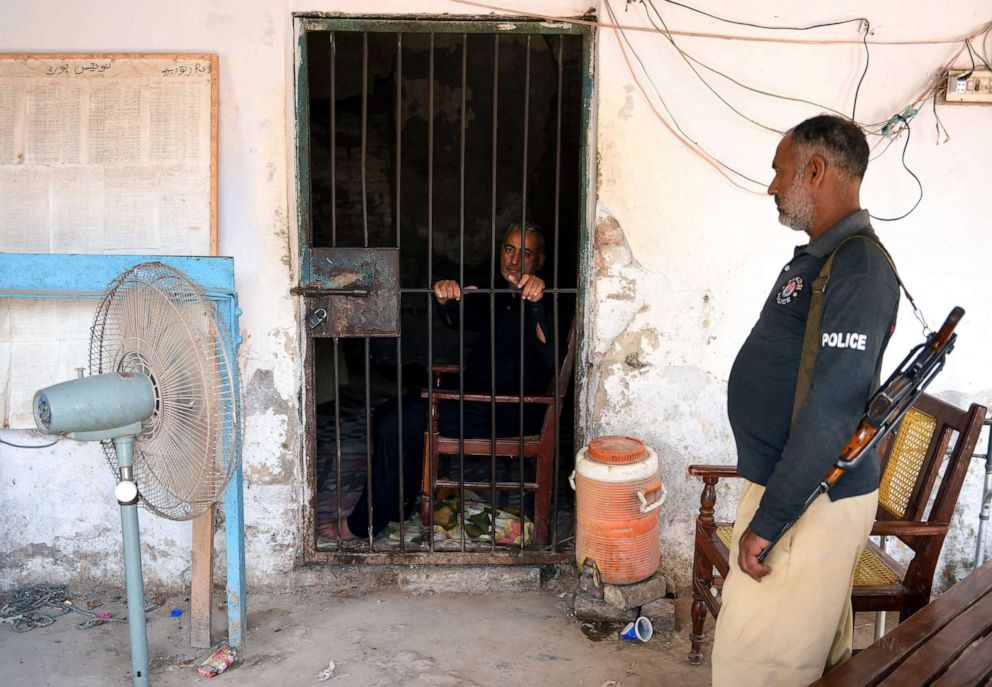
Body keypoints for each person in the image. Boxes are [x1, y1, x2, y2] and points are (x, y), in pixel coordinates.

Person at [711, 115, 900, 686]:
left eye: (780, 171)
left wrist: (770, 522)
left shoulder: (858, 267)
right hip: (797, 492)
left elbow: (836, 408)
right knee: (813, 664)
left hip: (808, 501)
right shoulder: (823, 258)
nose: (772, 185)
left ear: (814, 170)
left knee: (756, 667)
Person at [318, 222, 558, 541]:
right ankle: (397, 505)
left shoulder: (548, 298)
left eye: (525, 253)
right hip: (474, 400)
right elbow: (460, 320)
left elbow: (552, 354)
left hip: (506, 410)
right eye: (509, 249)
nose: (513, 261)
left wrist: (537, 302)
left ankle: (363, 524)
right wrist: (446, 298)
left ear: (539, 261)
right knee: (388, 411)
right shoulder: (504, 297)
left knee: (399, 423)